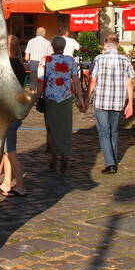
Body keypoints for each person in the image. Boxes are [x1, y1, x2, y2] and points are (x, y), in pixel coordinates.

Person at [83, 33, 135, 174]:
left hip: (101, 101)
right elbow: (129, 83)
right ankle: (112, 160)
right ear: (117, 44)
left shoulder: (98, 59)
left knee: (104, 132)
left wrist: (87, 99)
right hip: (118, 101)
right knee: (114, 131)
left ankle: (110, 163)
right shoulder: (125, 60)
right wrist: (130, 103)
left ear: (105, 44)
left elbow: (93, 81)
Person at [0, 36, 28, 196]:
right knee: (5, 150)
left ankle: (20, 185)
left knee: (10, 151)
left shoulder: (7, 65)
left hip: (7, 111)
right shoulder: (18, 65)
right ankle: (1, 182)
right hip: (13, 110)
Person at [41, 36, 84, 174]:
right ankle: (64, 155)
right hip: (66, 98)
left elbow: (41, 80)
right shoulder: (70, 61)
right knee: (65, 128)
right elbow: (76, 81)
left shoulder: (46, 60)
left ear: (52, 46)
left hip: (50, 97)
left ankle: (54, 158)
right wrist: (80, 99)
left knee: (51, 128)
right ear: (64, 47)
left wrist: (37, 96)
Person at [24, 27, 53, 93]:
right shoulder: (48, 43)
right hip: (43, 65)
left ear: (36, 33)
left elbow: (26, 56)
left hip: (33, 64)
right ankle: (40, 98)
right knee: (42, 82)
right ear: (44, 33)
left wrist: (26, 63)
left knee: (33, 82)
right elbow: (50, 55)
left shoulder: (31, 41)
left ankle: (32, 96)